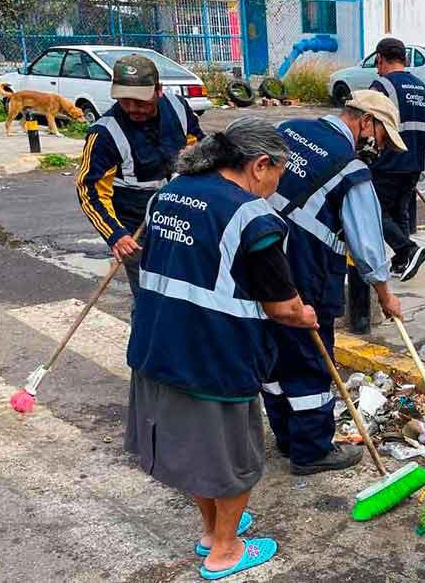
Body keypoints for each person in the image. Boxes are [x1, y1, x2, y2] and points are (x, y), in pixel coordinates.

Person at [125, 117, 317, 580]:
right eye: (278, 174)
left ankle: (212, 529)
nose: (276, 186)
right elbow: (282, 306)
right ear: (260, 165)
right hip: (214, 354)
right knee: (233, 459)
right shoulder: (252, 216)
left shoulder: (169, 193)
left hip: (156, 345)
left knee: (196, 450)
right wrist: (303, 314)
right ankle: (226, 551)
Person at [264, 90, 405, 475]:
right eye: (381, 135)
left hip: (259, 264)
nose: (379, 146)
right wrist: (385, 293)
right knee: (309, 361)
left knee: (272, 356)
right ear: (366, 122)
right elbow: (367, 245)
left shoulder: (288, 129)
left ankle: (286, 437)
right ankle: (310, 450)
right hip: (306, 272)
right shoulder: (351, 169)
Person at [76, 54, 204, 301]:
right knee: (149, 296)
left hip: (180, 213)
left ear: (158, 91)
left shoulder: (178, 107)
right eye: (125, 101)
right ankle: (145, 338)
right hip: (135, 226)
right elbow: (89, 191)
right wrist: (116, 234)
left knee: (188, 288)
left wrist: (198, 153)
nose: (133, 108)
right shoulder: (104, 134)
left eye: (141, 101)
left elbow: (198, 140)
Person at [369, 37, 425, 281]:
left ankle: (408, 249)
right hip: (414, 162)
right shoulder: (421, 87)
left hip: (388, 162)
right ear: (404, 59)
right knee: (400, 211)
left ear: (380, 59)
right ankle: (402, 263)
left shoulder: (382, 85)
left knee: (375, 212)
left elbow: (370, 125)